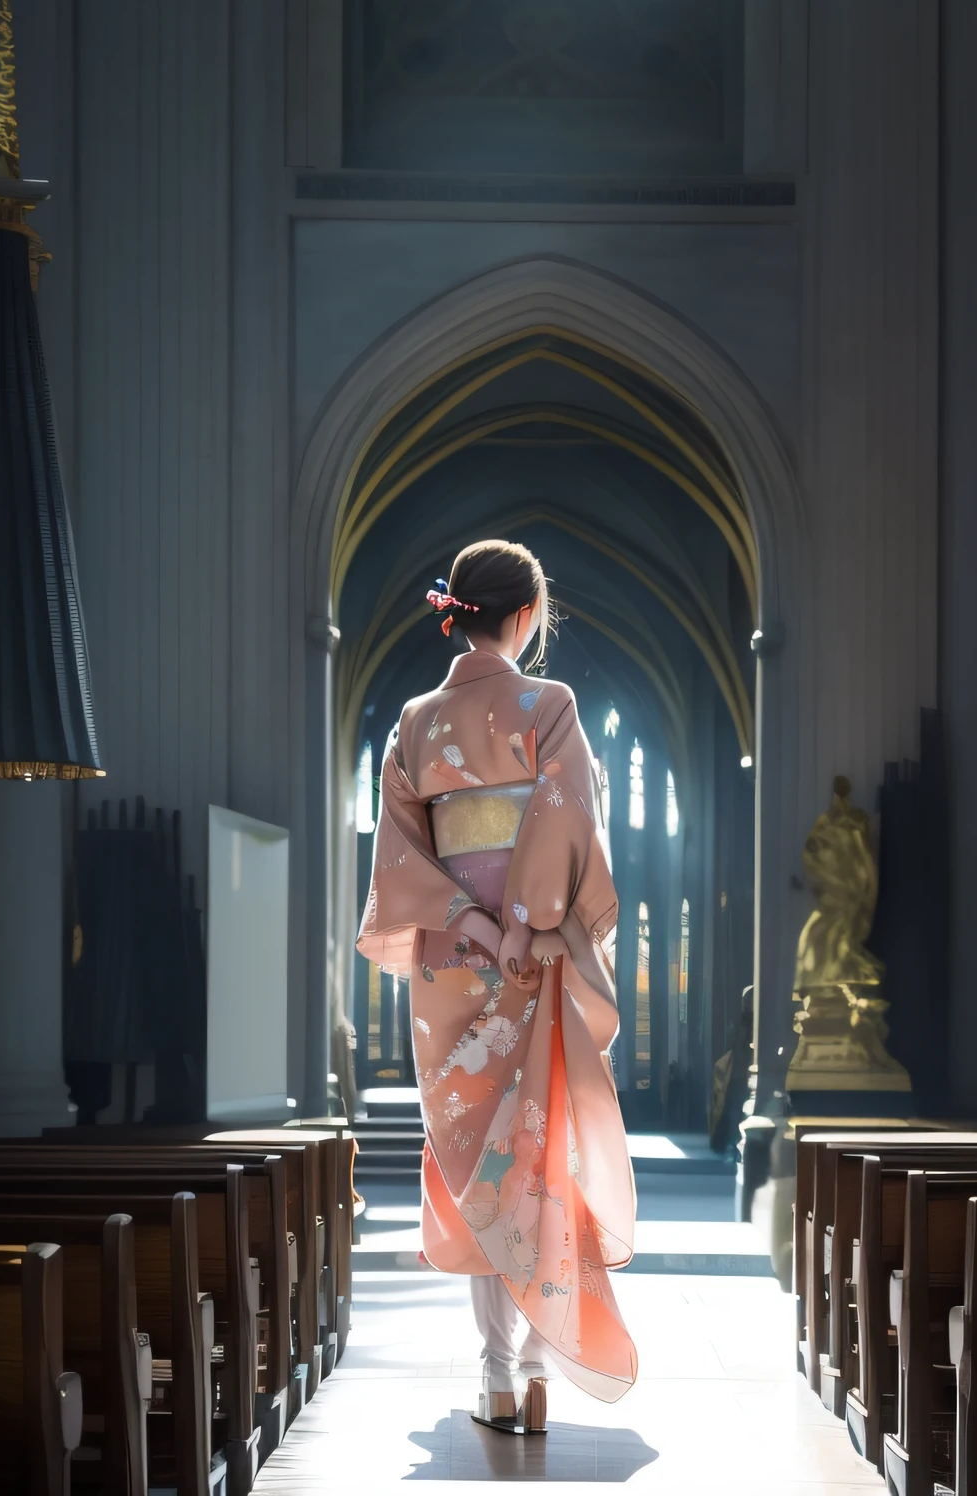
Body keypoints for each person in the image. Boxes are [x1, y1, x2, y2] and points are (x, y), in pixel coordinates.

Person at [356, 538, 638, 1430]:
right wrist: (521, 921)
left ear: (461, 614)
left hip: (450, 968)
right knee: (537, 1155)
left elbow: (399, 852)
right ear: (524, 618)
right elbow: (569, 812)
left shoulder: (413, 721)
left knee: (474, 1158)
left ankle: (494, 1374)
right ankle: (537, 1364)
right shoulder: (547, 704)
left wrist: (474, 923)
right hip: (535, 958)